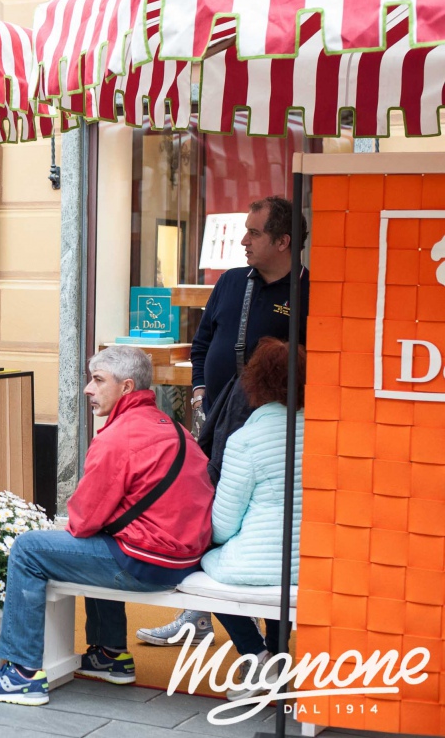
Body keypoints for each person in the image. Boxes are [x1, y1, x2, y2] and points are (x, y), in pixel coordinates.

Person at [0, 345, 213, 706]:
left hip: (147, 563)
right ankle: (109, 655)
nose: (88, 389)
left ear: (127, 387)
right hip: (184, 558)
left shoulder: (117, 437)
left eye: (98, 380)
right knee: (104, 538)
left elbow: (82, 521)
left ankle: (22, 674)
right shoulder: (174, 428)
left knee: (28, 548)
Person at [138, 195, 308, 647]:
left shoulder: (309, 291)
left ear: (283, 241)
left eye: (254, 232)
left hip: (273, 430)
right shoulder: (232, 282)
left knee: (252, 526)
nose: (243, 240)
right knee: (209, 512)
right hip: (217, 422)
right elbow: (202, 344)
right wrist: (199, 392)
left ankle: (273, 643)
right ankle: (198, 616)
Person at [203, 338, 303, 701]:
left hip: (261, 565)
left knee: (202, 564)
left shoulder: (245, 439)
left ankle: (255, 654)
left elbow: (223, 524)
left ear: (255, 382)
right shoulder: (326, 431)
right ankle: (277, 653)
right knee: (279, 571)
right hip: (313, 562)